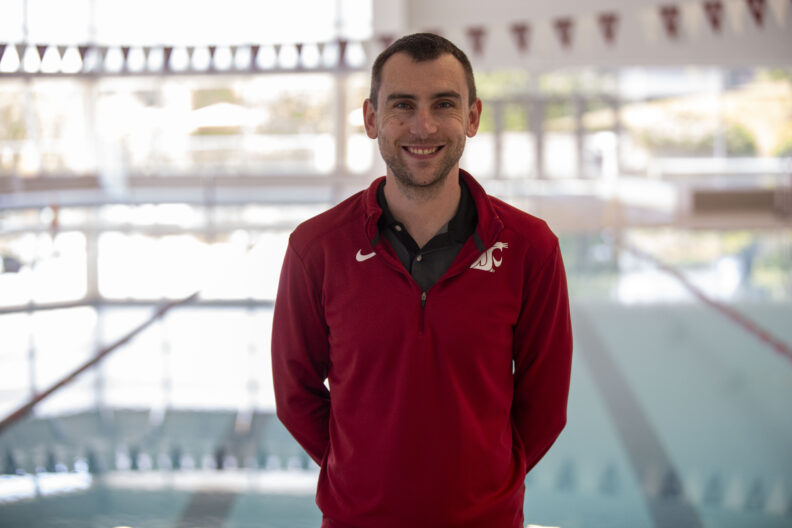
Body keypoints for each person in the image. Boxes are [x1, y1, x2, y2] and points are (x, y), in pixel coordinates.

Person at [271, 33, 573, 528]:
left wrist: (486, 484)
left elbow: (545, 405)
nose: (424, 125)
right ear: (371, 118)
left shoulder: (530, 248)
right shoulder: (317, 248)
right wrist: (360, 474)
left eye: (444, 104)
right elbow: (294, 392)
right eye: (403, 105)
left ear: (472, 117)